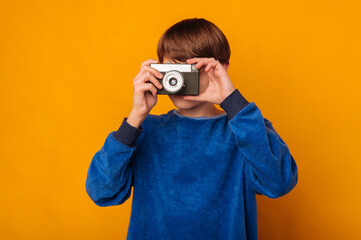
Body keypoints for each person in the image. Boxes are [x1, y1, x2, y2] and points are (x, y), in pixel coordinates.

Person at [85, 18, 298, 240]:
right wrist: (135, 116)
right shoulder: (146, 129)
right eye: (171, 69)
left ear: (220, 68)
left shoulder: (245, 129)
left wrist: (232, 101)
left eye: (189, 69)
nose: (179, 80)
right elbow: (101, 191)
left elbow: (280, 182)